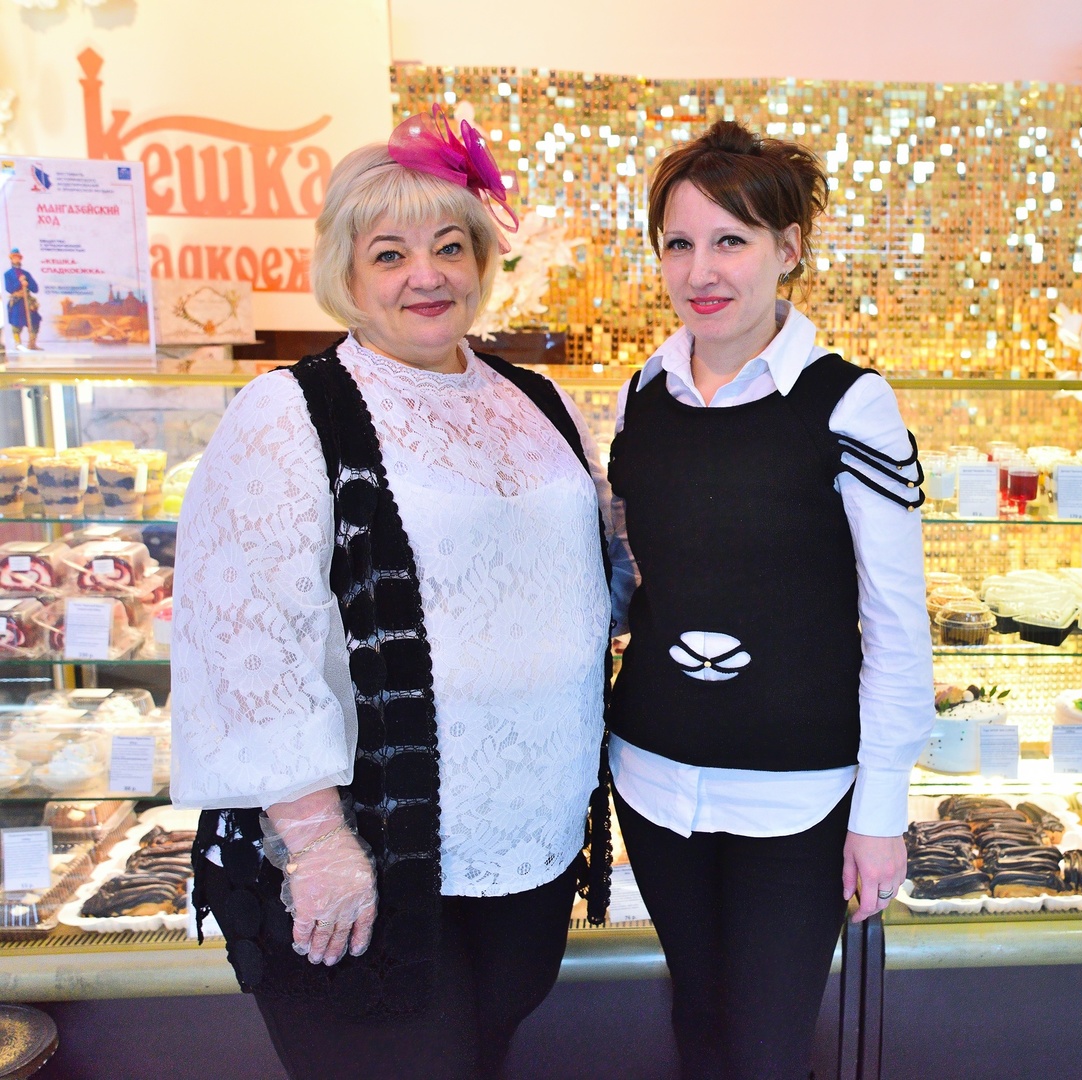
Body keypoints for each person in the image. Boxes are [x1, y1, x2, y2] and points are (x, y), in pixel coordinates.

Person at [171, 107, 632, 1080]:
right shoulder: (289, 413)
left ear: (482, 261)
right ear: (346, 274)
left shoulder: (538, 401)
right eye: (390, 254)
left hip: (530, 848)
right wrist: (316, 843)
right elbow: (245, 639)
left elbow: (592, 571)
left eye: (449, 246)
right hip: (375, 860)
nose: (427, 275)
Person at [607, 119, 934, 1079]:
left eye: (731, 240)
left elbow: (896, 621)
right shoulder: (640, 395)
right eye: (679, 243)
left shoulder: (850, 403)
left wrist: (882, 810)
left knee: (766, 1051)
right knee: (698, 1027)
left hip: (800, 794)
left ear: (788, 249)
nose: (701, 271)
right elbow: (633, 579)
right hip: (653, 779)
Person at [5, 249, 40, 351]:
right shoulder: (8, 274)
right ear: (11, 259)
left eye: (18, 257)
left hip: (28, 301)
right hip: (17, 301)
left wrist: (27, 283)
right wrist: (19, 283)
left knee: (35, 320)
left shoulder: (26, 274)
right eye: (14, 257)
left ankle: (32, 344)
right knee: (16, 322)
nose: (16, 259)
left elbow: (35, 288)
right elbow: (9, 289)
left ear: (20, 259)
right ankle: (18, 344)